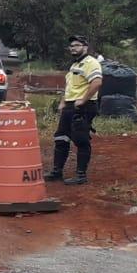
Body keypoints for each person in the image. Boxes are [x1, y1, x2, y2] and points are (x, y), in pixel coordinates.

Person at [45, 35, 103, 185]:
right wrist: (63, 102)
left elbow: (96, 83)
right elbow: (70, 86)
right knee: (61, 138)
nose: (73, 48)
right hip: (70, 106)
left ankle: (81, 175)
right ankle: (57, 171)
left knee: (80, 139)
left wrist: (83, 100)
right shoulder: (74, 65)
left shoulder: (91, 63)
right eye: (71, 46)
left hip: (84, 107)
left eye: (77, 45)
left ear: (85, 47)